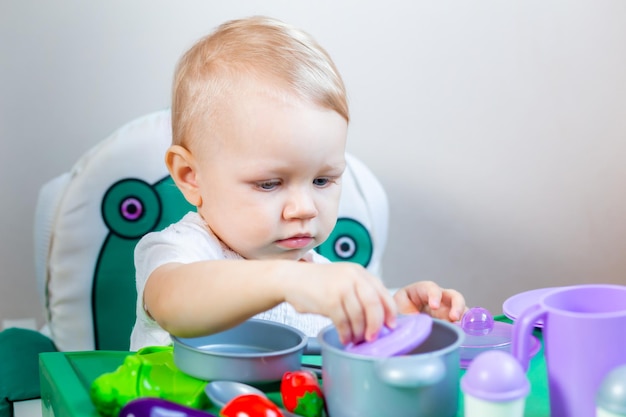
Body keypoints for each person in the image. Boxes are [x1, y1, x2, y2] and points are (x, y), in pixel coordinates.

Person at [130, 16, 466, 351]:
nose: (304, 209)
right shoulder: (182, 252)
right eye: (269, 184)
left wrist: (394, 313)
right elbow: (174, 304)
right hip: (172, 406)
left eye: (322, 180)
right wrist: (286, 280)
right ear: (192, 177)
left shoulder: (319, 275)